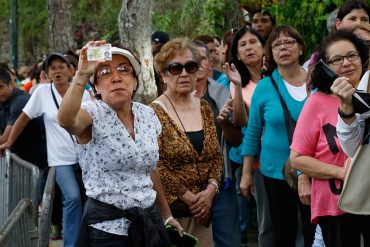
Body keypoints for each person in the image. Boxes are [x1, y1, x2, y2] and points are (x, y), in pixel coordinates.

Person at [57, 41, 182, 246]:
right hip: (108, 232)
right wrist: (81, 75)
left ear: (134, 81)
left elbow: (150, 170)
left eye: (124, 70)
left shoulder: (148, 114)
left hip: (148, 224)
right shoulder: (93, 113)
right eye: (105, 72)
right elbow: (66, 121)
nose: (116, 77)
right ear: (96, 86)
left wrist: (167, 216)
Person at [0, 53, 90, 247]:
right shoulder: (42, 92)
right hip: (59, 160)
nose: (57, 71)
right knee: (72, 197)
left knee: (88, 199)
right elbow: (23, 118)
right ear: (47, 73)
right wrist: (9, 143)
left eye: (61, 67)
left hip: (85, 157)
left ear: (71, 70)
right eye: (52, 68)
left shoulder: (84, 92)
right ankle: (71, 244)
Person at [240, 25, 316, 247]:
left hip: (314, 169)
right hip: (275, 174)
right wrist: (246, 174)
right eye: (277, 44)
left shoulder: (316, 82)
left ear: (301, 49)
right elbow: (253, 132)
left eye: (289, 42)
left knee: (315, 232)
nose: (283, 47)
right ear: (270, 53)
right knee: (283, 233)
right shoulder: (264, 87)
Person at [292, 30, 370, 247]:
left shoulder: (367, 92)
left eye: (351, 56)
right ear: (325, 67)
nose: (346, 63)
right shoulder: (317, 101)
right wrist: (343, 173)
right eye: (336, 59)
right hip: (336, 203)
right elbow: (297, 158)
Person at [150, 37, 223, 247]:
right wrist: (190, 198)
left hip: (203, 214)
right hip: (171, 216)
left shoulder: (204, 107)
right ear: (163, 74)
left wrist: (210, 192)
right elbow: (156, 165)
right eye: (175, 68)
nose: (184, 73)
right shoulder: (152, 112)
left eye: (190, 67)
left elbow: (216, 156)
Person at [223, 26, 275, 247]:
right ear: (237, 54)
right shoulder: (238, 85)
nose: (249, 48)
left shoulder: (277, 74)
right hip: (259, 157)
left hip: (290, 151)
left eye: (253, 42)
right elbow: (242, 121)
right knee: (268, 220)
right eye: (242, 45)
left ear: (264, 47)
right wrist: (236, 85)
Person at [192, 40, 242, 247]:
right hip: (185, 190)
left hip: (221, 183)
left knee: (228, 241)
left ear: (210, 60)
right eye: (192, 59)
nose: (198, 63)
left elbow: (236, 139)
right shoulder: (171, 98)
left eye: (202, 58)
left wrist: (223, 124)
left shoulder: (221, 92)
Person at [0, 66, 47, 194]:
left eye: (1, 87)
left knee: (30, 205)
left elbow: (5, 139)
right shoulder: (4, 100)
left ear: (10, 84)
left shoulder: (20, 101)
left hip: (38, 167)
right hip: (23, 165)